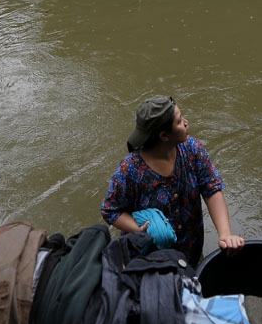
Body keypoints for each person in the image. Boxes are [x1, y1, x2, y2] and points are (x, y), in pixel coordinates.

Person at [101, 95, 244, 266]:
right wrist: (138, 229)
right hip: (148, 258)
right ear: (164, 136)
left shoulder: (192, 149)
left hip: (190, 249)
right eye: (179, 122)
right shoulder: (130, 169)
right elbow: (111, 210)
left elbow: (211, 189)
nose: (186, 122)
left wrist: (225, 234)